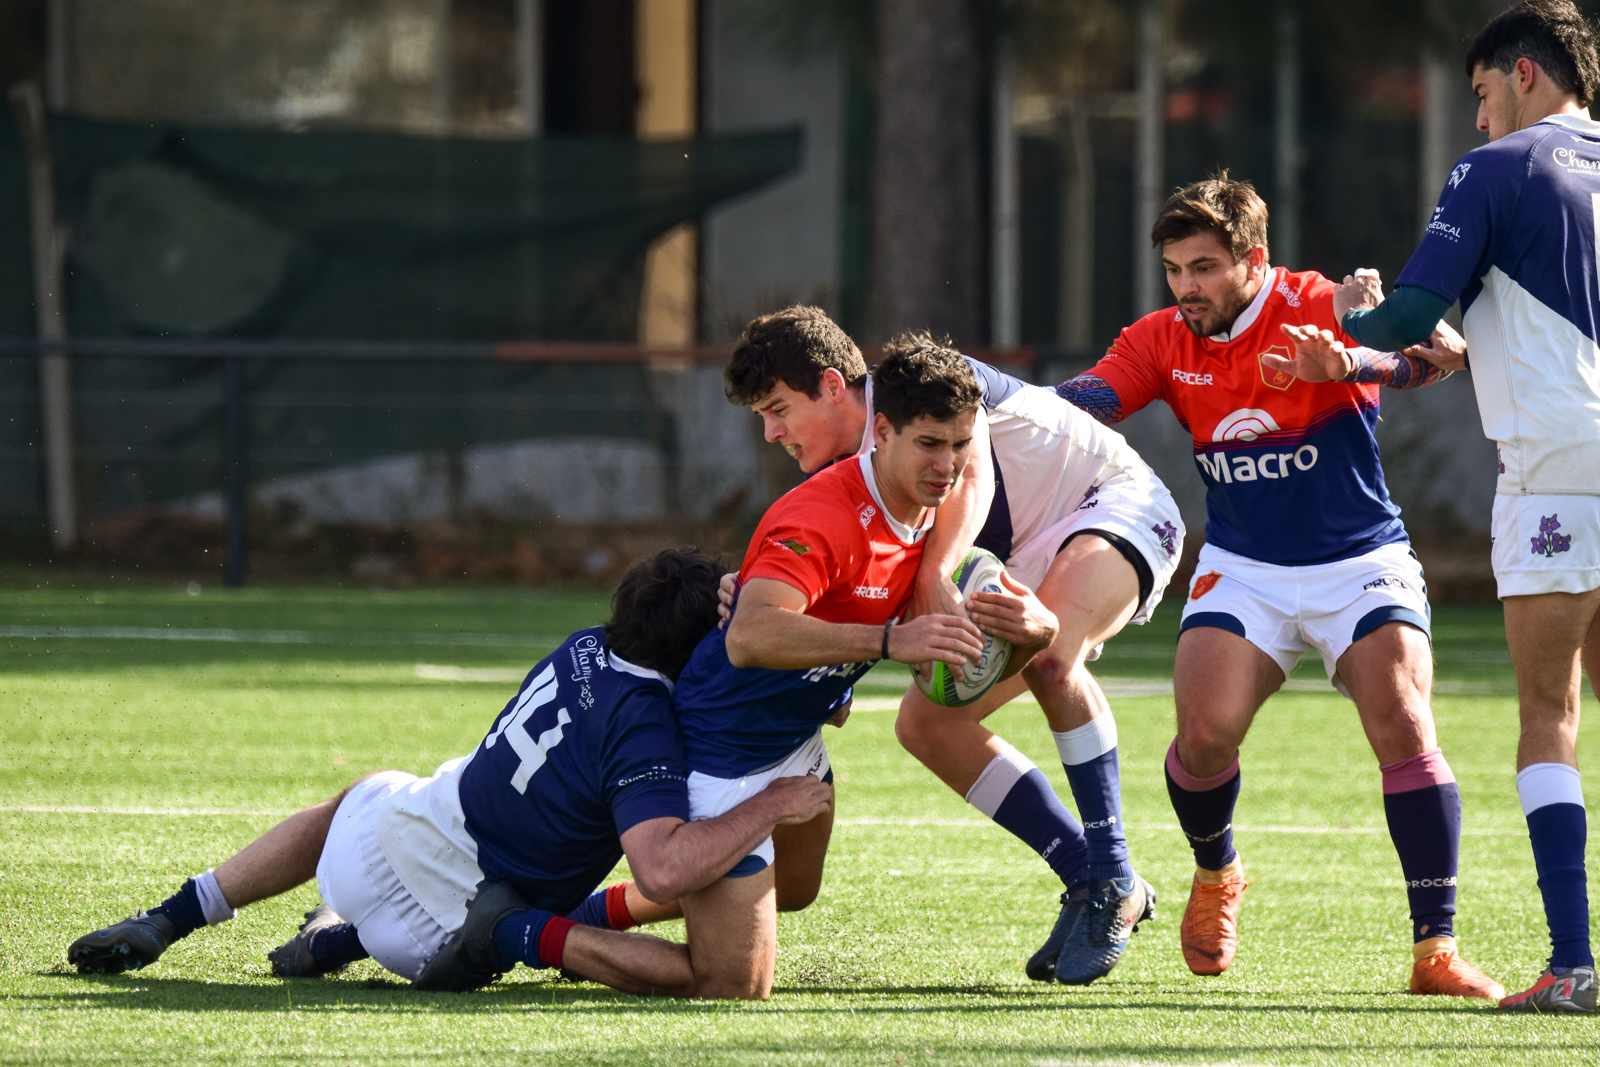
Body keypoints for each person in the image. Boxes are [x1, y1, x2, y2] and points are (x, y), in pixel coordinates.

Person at [1054, 174, 1503, 1000]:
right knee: (1202, 738)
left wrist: (1355, 358)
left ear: (1253, 260)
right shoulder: (1161, 338)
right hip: (1246, 565)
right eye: (1175, 270)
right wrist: (994, 403)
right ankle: (1217, 872)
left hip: (1358, 557)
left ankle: (1435, 949)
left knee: (1406, 725)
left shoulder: (1321, 301)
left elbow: (1444, 352)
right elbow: (1083, 404)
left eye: (1203, 268)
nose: (1186, 288)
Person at [66, 549, 834, 999]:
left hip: (374, 846)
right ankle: (522, 934)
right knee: (687, 949)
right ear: (693, 649)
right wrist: (769, 801)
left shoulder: (587, 643)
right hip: (452, 933)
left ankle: (177, 914)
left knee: (361, 791)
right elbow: (664, 868)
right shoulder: (647, 725)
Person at [721, 308, 1185, 984]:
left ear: (830, 385)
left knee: (1053, 655)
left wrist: (936, 573)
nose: (771, 432)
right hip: (1023, 550)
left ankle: (1113, 872)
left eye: (777, 408)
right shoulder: (856, 469)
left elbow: (972, 478)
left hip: (1115, 503)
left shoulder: (924, 387)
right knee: (927, 724)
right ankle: (1084, 873)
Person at [1329, 0, 1600, 1014]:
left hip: (1556, 465)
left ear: (1523, 75)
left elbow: (1404, 313)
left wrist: (1335, 318)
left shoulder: (1496, 168)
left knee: (1547, 714)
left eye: (1482, 94)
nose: (1477, 118)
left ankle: (1571, 966)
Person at [668, 335, 1063, 997]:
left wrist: (1035, 636)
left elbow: (959, 691)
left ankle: (648, 895)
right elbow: (749, 636)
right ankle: (551, 928)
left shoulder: (936, 516)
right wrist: (886, 642)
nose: (949, 464)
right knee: (738, 982)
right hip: (722, 747)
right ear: (881, 432)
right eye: (930, 444)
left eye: (961, 444)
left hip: (797, 739)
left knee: (794, 891)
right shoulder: (823, 512)